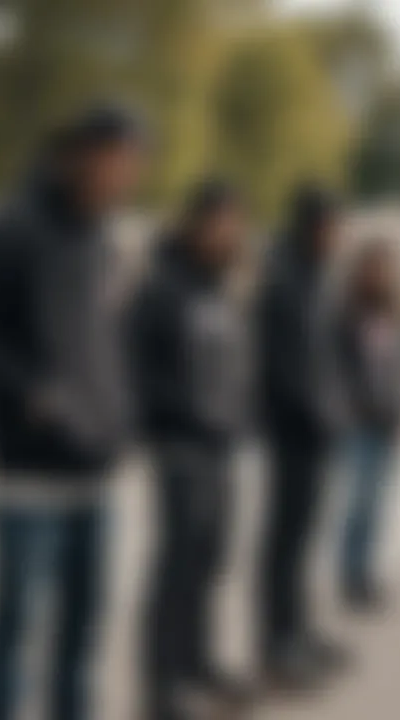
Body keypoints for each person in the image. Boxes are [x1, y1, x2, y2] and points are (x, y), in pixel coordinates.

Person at [0, 104, 144, 720]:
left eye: (135, 164)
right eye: (118, 161)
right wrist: (32, 397)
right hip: (28, 477)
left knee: (82, 638)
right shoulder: (12, 227)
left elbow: (103, 346)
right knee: (14, 630)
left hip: (93, 478)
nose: (127, 176)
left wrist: (118, 413)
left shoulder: (100, 242)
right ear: (82, 153)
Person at [128, 180, 250, 720]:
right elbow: (137, 368)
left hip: (222, 449)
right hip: (180, 448)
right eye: (220, 222)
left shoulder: (219, 291)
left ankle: (198, 664)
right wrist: (179, 417)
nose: (229, 233)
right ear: (194, 225)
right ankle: (162, 688)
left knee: (210, 561)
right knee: (175, 569)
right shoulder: (162, 289)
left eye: (235, 223)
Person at [256, 184, 350, 690]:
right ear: (312, 225)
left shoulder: (318, 277)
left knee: (304, 541)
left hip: (318, 432)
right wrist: (317, 412)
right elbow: (283, 365)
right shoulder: (283, 278)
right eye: (333, 226)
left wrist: (336, 409)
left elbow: (328, 356)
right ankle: (275, 643)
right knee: (283, 544)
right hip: (293, 432)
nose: (339, 236)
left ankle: (298, 630)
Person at [337, 240, 400, 611]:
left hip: (388, 421)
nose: (382, 276)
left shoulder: (392, 314)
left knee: (378, 503)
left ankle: (366, 569)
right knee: (360, 501)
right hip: (361, 422)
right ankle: (350, 573)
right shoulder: (349, 314)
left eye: (387, 269)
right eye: (376, 268)